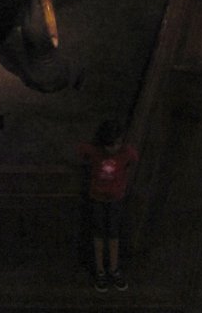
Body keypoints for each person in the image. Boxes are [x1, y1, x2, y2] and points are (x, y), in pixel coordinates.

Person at [77, 119, 139, 293]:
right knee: (98, 234)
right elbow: (82, 151)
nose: (113, 149)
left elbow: (133, 158)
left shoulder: (126, 152)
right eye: (109, 145)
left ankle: (114, 269)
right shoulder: (95, 150)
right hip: (97, 198)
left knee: (113, 234)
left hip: (116, 200)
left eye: (116, 144)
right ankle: (101, 271)